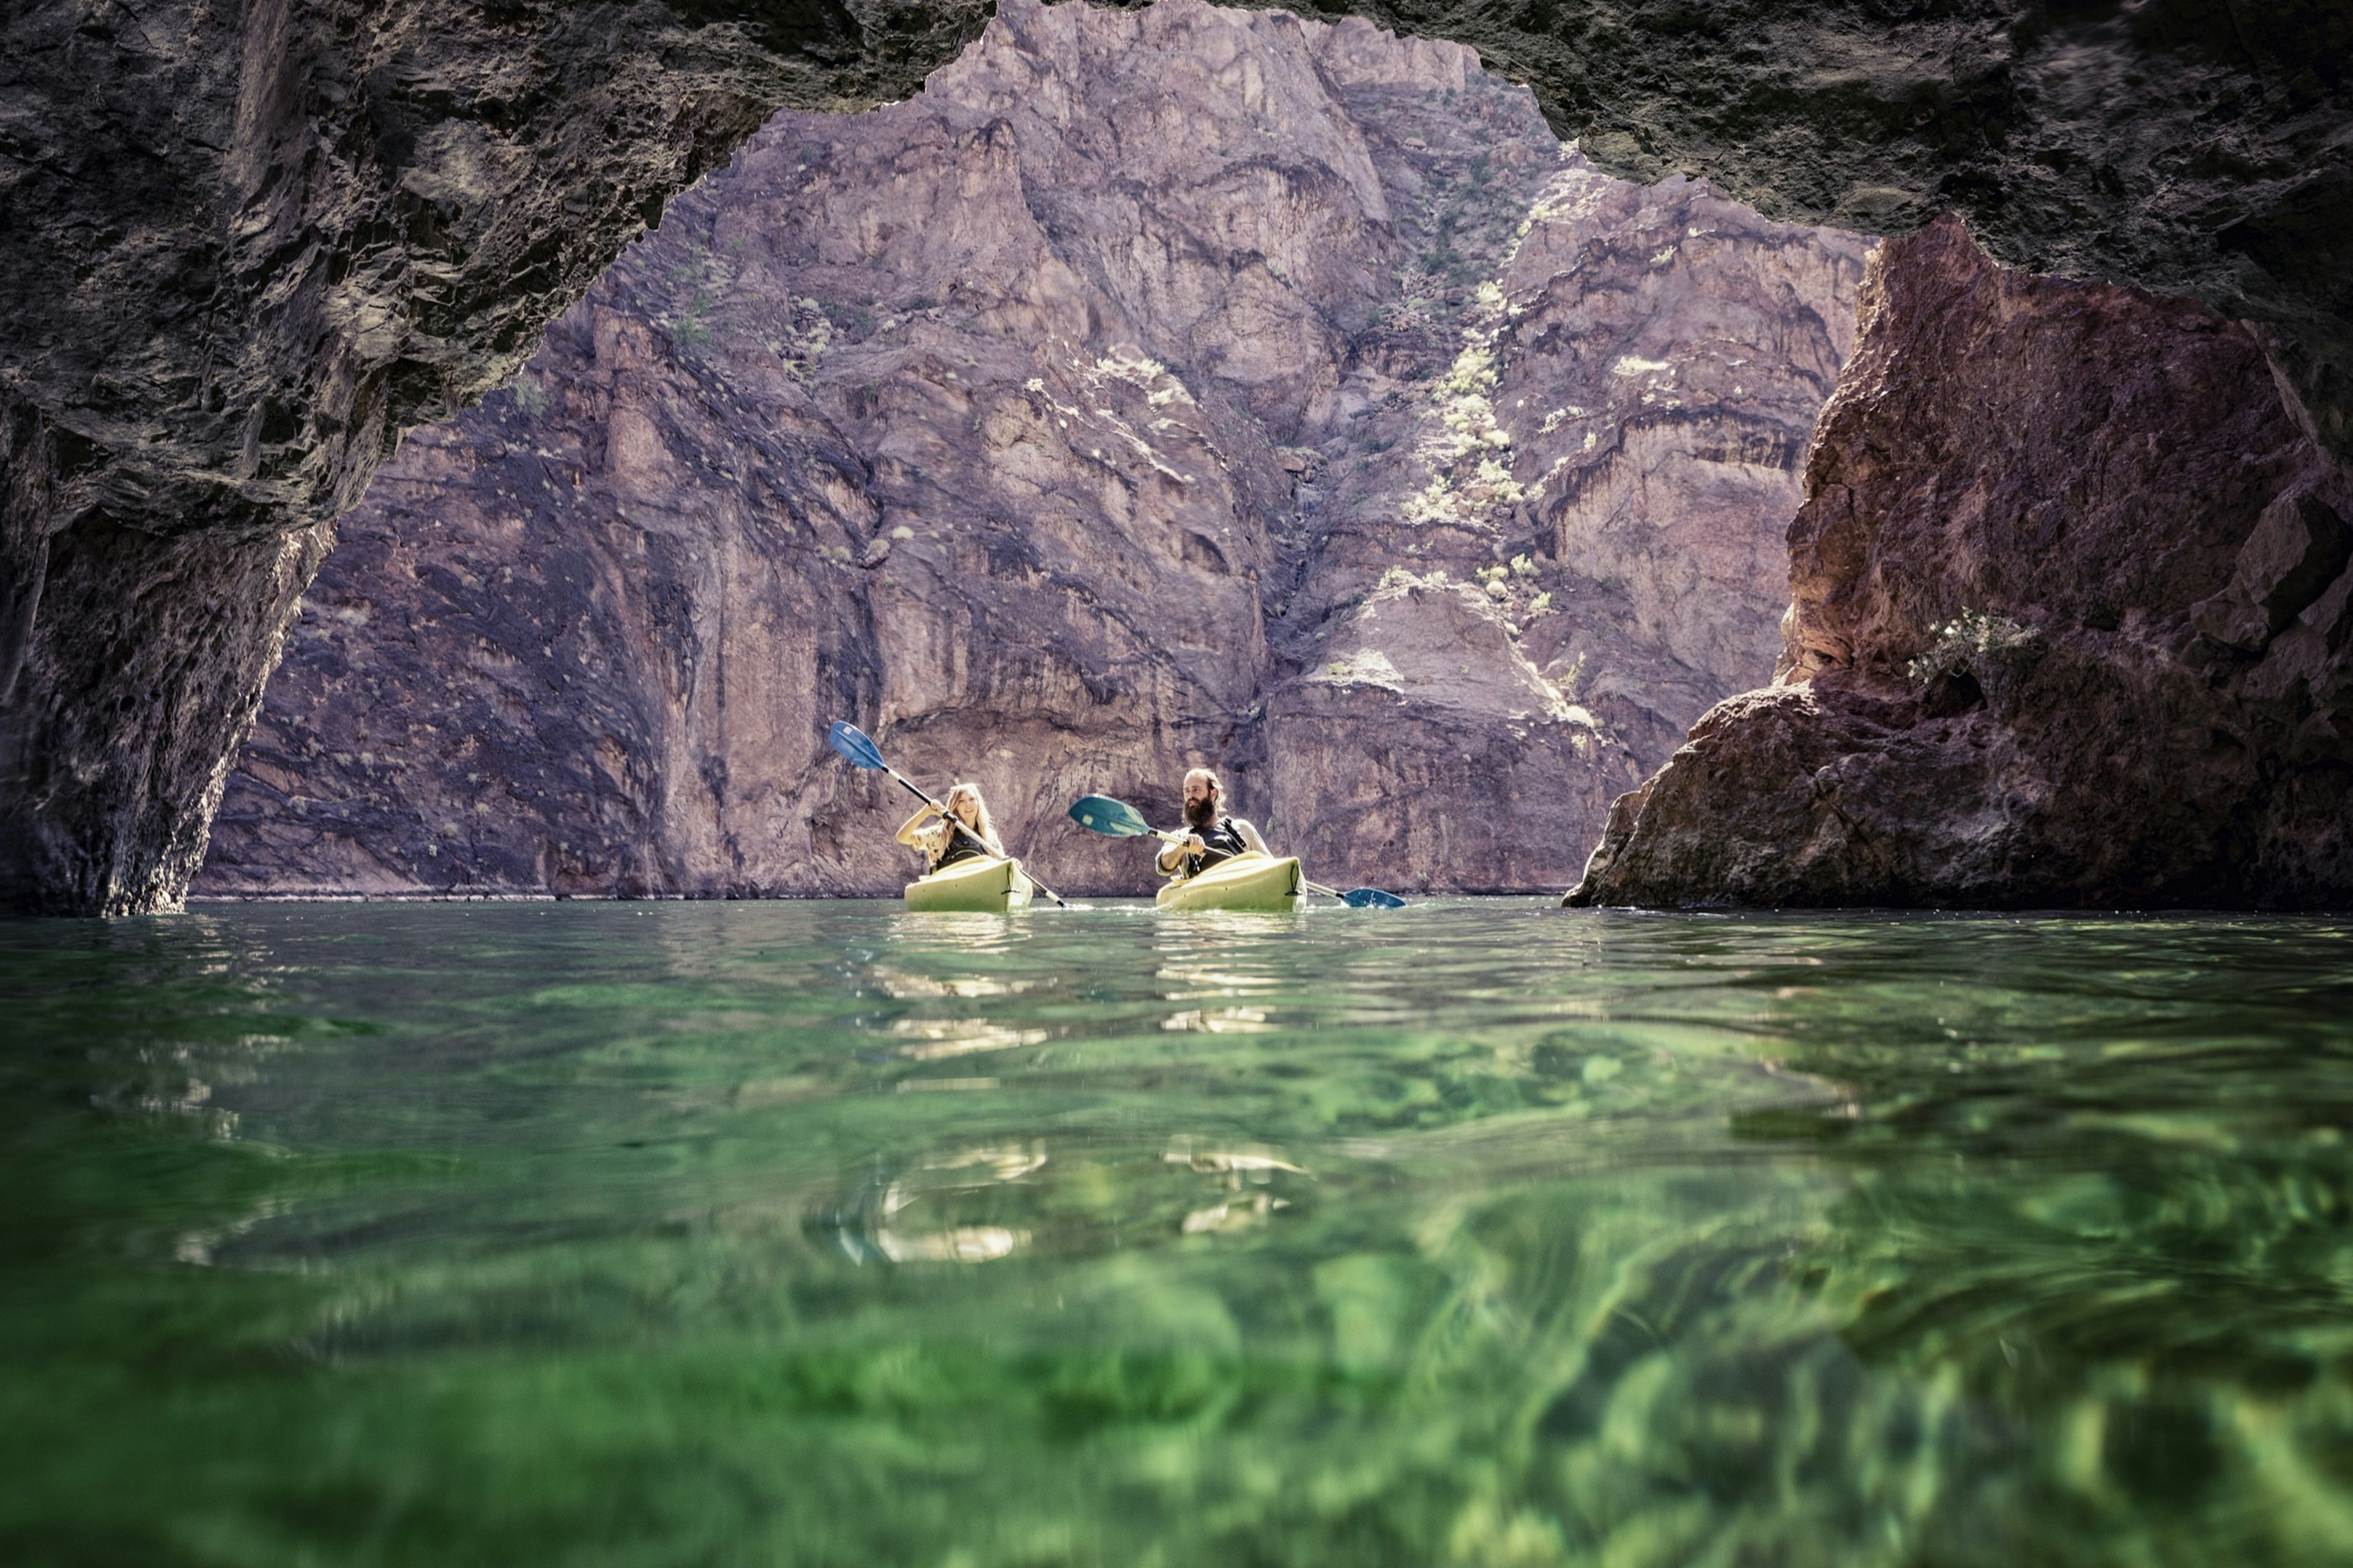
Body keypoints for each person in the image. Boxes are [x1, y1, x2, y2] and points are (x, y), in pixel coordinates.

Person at [1156, 767, 1271, 879]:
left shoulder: (1241, 828)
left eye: (1196, 790)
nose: (1190, 796)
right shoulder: (1179, 837)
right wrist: (1182, 848)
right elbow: (1162, 867)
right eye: (1187, 791)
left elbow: (1271, 866)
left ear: (1213, 794)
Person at [896, 782, 1005, 873]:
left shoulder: (989, 838)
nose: (968, 804)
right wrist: (925, 812)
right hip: (947, 890)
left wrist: (1015, 865)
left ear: (978, 803)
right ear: (955, 807)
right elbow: (902, 837)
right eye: (961, 801)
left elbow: (1004, 865)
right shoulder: (941, 835)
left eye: (972, 799)